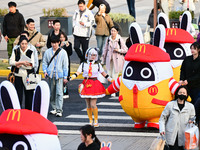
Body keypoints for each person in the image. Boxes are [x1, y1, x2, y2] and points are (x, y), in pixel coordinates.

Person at [69, 48, 113, 127]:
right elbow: (77, 73)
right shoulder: (83, 64)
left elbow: (103, 73)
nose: (93, 57)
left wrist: (111, 80)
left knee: (93, 104)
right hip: (86, 83)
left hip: (94, 84)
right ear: (88, 55)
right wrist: (70, 78)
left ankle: (96, 120)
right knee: (88, 104)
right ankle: (90, 120)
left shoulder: (98, 65)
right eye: (92, 55)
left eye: (95, 55)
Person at [159, 85, 195, 150]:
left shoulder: (190, 107)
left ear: (187, 95)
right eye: (180, 92)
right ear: (177, 93)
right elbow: (162, 119)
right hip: (171, 135)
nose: (182, 94)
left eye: (184, 93)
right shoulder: (170, 105)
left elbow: (193, 118)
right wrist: (162, 130)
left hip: (184, 136)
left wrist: (192, 121)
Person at [43, 36, 68, 117]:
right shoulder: (47, 52)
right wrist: (45, 71)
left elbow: (65, 65)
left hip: (59, 75)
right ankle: (54, 108)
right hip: (50, 75)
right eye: (53, 43)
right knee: (52, 93)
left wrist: (65, 77)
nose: (54, 44)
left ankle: (59, 110)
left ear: (59, 43)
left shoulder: (63, 52)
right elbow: (45, 63)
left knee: (59, 93)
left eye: (56, 43)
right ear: (51, 43)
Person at [9, 36, 35, 110]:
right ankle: (18, 110)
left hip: (28, 76)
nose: (24, 45)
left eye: (25, 44)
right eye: (22, 43)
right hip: (18, 75)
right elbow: (11, 62)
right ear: (20, 43)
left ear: (28, 44)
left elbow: (32, 65)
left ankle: (28, 111)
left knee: (29, 95)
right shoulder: (16, 51)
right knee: (18, 95)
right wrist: (20, 63)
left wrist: (20, 65)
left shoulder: (30, 52)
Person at [102, 26, 128, 96]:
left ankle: (113, 91)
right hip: (109, 59)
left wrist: (118, 50)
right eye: (111, 31)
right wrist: (103, 59)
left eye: (114, 31)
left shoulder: (120, 39)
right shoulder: (108, 39)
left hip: (117, 60)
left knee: (114, 75)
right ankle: (116, 88)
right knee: (109, 75)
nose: (112, 32)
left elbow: (125, 49)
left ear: (117, 32)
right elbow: (105, 49)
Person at [60, 31, 73, 99]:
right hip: (59, 63)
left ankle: (65, 92)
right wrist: (60, 46)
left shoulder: (69, 44)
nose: (62, 39)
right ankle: (59, 92)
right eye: (61, 37)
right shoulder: (57, 44)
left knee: (65, 79)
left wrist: (68, 46)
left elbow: (70, 53)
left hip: (66, 63)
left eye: (63, 37)